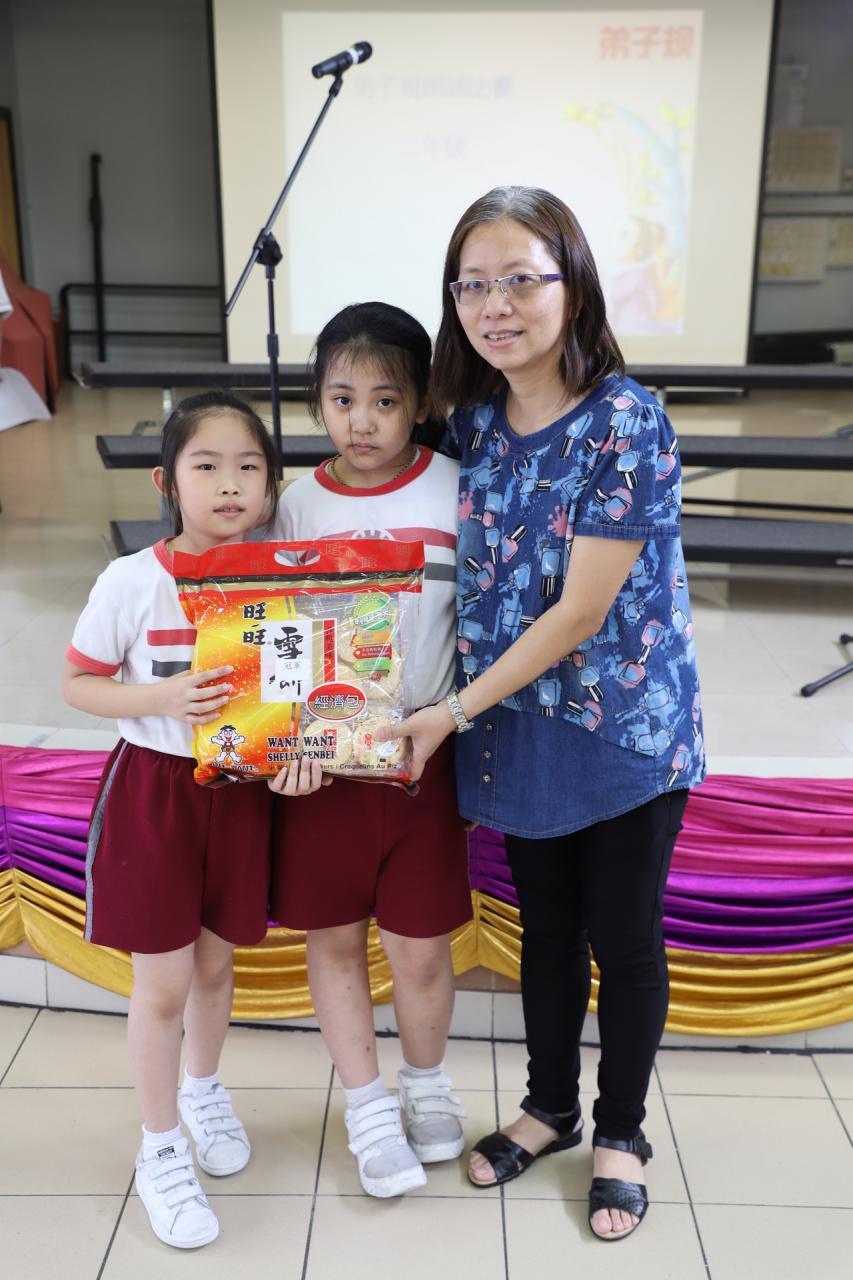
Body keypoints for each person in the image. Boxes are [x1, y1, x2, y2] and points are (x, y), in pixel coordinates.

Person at [381, 187, 705, 1241]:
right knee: (547, 933)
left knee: (624, 936)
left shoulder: (625, 419)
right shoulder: (471, 423)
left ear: (573, 284)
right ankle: (550, 1107)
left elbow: (579, 612)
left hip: (622, 729)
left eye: (521, 279)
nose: (495, 305)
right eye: (472, 285)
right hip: (514, 724)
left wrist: (446, 710)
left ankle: (621, 1132)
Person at [62, 390, 319, 1249]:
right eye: (206, 465)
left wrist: (299, 756)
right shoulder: (131, 580)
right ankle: (160, 1145)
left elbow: (294, 700)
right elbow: (78, 683)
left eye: (249, 466)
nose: (230, 483)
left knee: (214, 968)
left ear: (271, 485)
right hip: (158, 793)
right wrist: (161, 698)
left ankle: (203, 1090)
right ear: (166, 481)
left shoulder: (280, 583)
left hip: (239, 794)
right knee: (164, 983)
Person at [270, 302, 471, 1198]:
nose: (361, 421)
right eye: (341, 399)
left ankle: (426, 1086)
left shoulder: (457, 487)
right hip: (324, 768)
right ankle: (365, 1107)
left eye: (385, 401)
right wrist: (283, 742)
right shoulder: (296, 504)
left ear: (420, 402)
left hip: (425, 757)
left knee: (421, 947)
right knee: (335, 940)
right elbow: (271, 632)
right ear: (318, 401)